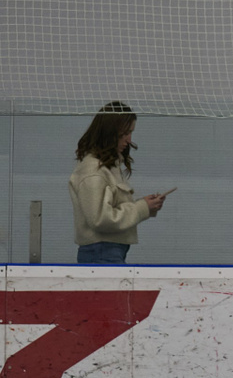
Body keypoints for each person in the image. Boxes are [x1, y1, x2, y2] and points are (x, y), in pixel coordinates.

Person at [69, 101, 170, 264]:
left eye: (131, 133)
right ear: (109, 133)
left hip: (107, 251)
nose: (129, 140)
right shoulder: (94, 171)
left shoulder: (107, 168)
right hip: (101, 253)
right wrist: (142, 208)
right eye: (125, 133)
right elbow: (99, 219)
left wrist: (146, 206)